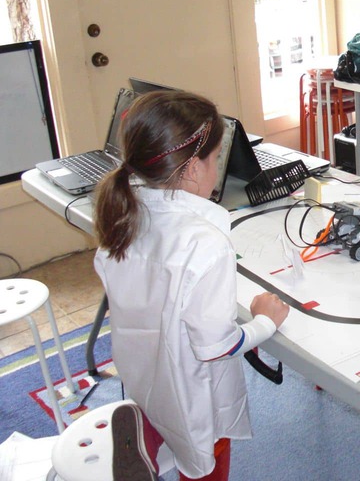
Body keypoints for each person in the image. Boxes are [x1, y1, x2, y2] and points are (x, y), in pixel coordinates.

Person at [93, 90, 290, 481]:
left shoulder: (125, 213)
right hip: (192, 388)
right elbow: (216, 347)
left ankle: (147, 435)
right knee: (203, 452)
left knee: (161, 409)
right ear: (192, 169)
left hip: (141, 367)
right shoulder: (205, 243)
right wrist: (265, 322)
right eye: (216, 158)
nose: (217, 167)